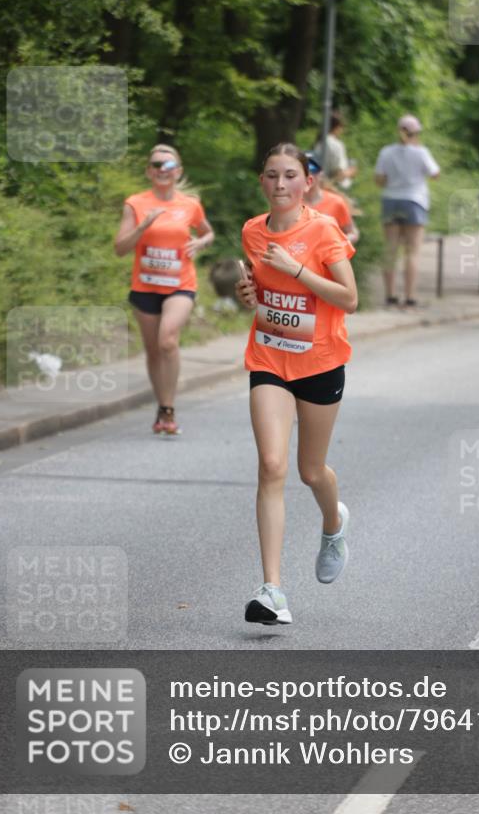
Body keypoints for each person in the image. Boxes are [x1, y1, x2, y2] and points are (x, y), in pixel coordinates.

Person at [235, 143, 358, 625]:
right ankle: (273, 591)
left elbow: (349, 299)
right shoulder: (251, 231)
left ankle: (334, 523)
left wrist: (298, 270)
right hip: (269, 357)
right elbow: (260, 293)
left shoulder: (323, 230)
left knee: (311, 471)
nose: (280, 184)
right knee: (271, 465)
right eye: (271, 175)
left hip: (321, 362)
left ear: (307, 182)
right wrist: (249, 293)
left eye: (290, 175)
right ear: (262, 181)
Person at [115, 144, 214, 434]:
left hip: (180, 285)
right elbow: (120, 248)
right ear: (148, 171)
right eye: (156, 165)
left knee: (167, 340)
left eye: (168, 166)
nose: (162, 170)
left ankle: (169, 410)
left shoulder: (189, 205)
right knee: (153, 350)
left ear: (178, 172)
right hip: (145, 286)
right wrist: (143, 226)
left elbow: (207, 231)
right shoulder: (135, 203)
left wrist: (201, 241)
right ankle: (162, 406)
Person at [374, 114, 440, 308]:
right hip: (414, 201)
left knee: (390, 250)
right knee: (412, 251)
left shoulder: (386, 152)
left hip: (391, 201)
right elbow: (435, 174)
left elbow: (379, 179)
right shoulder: (421, 152)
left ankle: (390, 295)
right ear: (416, 132)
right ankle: (410, 296)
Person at [304, 153, 360, 245]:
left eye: (313, 169)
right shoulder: (291, 203)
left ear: (321, 174)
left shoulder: (336, 202)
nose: (309, 175)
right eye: (304, 171)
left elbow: (353, 233)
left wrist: (339, 245)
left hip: (328, 256)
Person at [314, 111, 357, 188]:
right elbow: (339, 175)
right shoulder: (336, 145)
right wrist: (351, 171)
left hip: (321, 186)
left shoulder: (319, 143)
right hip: (336, 188)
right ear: (337, 127)